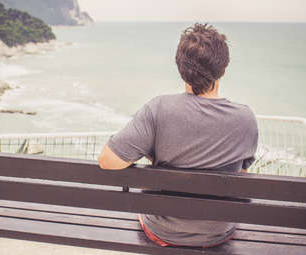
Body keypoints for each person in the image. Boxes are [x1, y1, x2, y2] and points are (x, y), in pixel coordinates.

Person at [97, 23, 258, 248]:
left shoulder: (158, 109)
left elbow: (107, 160)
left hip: (163, 232)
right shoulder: (246, 118)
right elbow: (239, 174)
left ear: (180, 67)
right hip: (217, 234)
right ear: (223, 67)